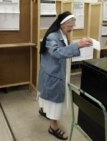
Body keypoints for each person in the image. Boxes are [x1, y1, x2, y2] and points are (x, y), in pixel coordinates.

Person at [38, 11, 93, 140]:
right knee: (55, 101)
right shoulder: (53, 36)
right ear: (62, 24)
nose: (72, 29)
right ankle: (53, 127)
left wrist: (78, 44)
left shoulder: (62, 34)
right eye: (70, 26)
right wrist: (78, 45)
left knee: (48, 97)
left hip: (58, 71)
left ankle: (44, 110)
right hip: (54, 74)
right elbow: (57, 53)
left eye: (73, 26)